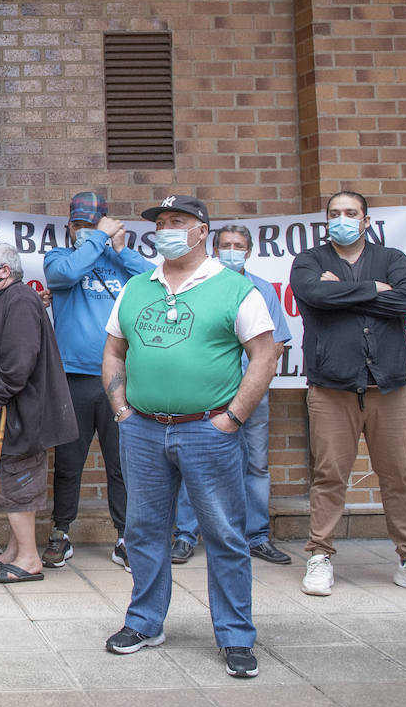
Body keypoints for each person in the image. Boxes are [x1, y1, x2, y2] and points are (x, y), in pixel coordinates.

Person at [101, 194, 277, 679]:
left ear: (203, 231)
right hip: (142, 428)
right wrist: (121, 408)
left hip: (208, 429)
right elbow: (114, 351)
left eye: (177, 221)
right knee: (143, 531)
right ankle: (144, 622)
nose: (166, 229)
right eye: (160, 222)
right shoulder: (137, 287)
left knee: (223, 533)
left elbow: (265, 355)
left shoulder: (234, 289)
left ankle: (236, 636)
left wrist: (234, 417)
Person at [291, 190, 406, 600]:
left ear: (366, 220)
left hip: (390, 387)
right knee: (329, 477)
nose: (341, 219)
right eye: (334, 213)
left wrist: (344, 290)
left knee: (399, 476)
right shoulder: (309, 262)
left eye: (350, 213)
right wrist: (374, 291)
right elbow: (315, 297)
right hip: (331, 388)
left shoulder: (393, 259)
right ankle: (320, 555)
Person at [42, 192, 155, 571]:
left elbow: (157, 284)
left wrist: (121, 250)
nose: (84, 231)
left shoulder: (119, 261)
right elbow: (63, 275)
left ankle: (126, 537)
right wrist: (97, 239)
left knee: (121, 463)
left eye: (93, 224)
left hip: (119, 379)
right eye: (79, 225)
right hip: (72, 377)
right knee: (68, 463)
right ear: (69, 225)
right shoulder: (60, 257)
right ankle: (61, 533)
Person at [172, 225, 293, 565]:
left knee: (255, 465)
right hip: (204, 395)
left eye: (238, 245)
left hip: (250, 394)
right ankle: (185, 535)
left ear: (249, 252)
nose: (231, 251)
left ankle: (256, 536)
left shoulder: (263, 290)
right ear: (213, 248)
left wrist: (250, 382)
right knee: (192, 463)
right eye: (225, 245)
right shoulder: (197, 286)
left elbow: (276, 344)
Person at [0, 243, 77, 582]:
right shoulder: (5, 299)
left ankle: (29, 559)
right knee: (7, 481)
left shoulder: (18, 300)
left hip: (21, 411)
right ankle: (16, 550)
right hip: (13, 411)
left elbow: (20, 360)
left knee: (18, 482)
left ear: (4, 270)